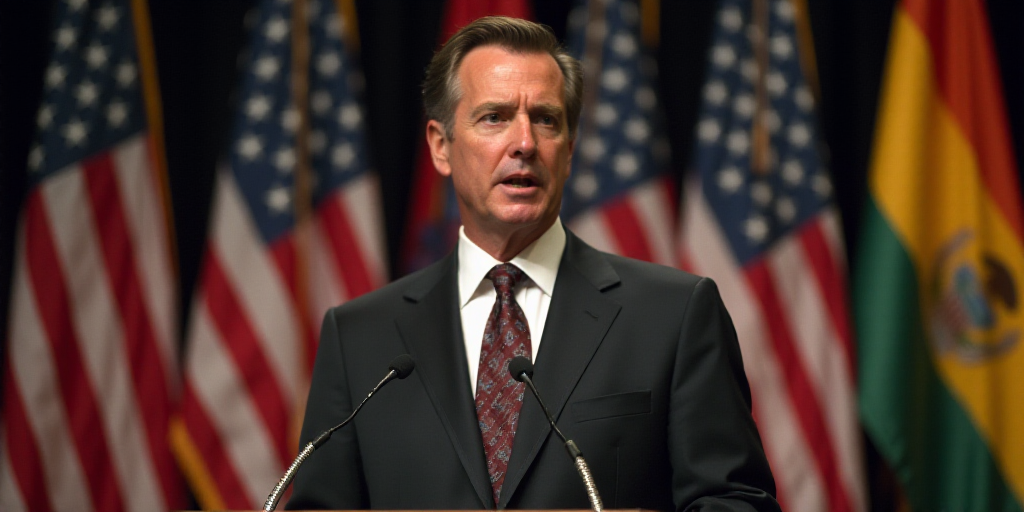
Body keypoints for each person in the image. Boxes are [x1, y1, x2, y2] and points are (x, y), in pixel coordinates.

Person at [288, 16, 779, 511]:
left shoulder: (673, 315)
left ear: (568, 149)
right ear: (441, 146)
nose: (524, 143)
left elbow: (735, 502)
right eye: (495, 117)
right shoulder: (360, 339)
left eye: (545, 119)